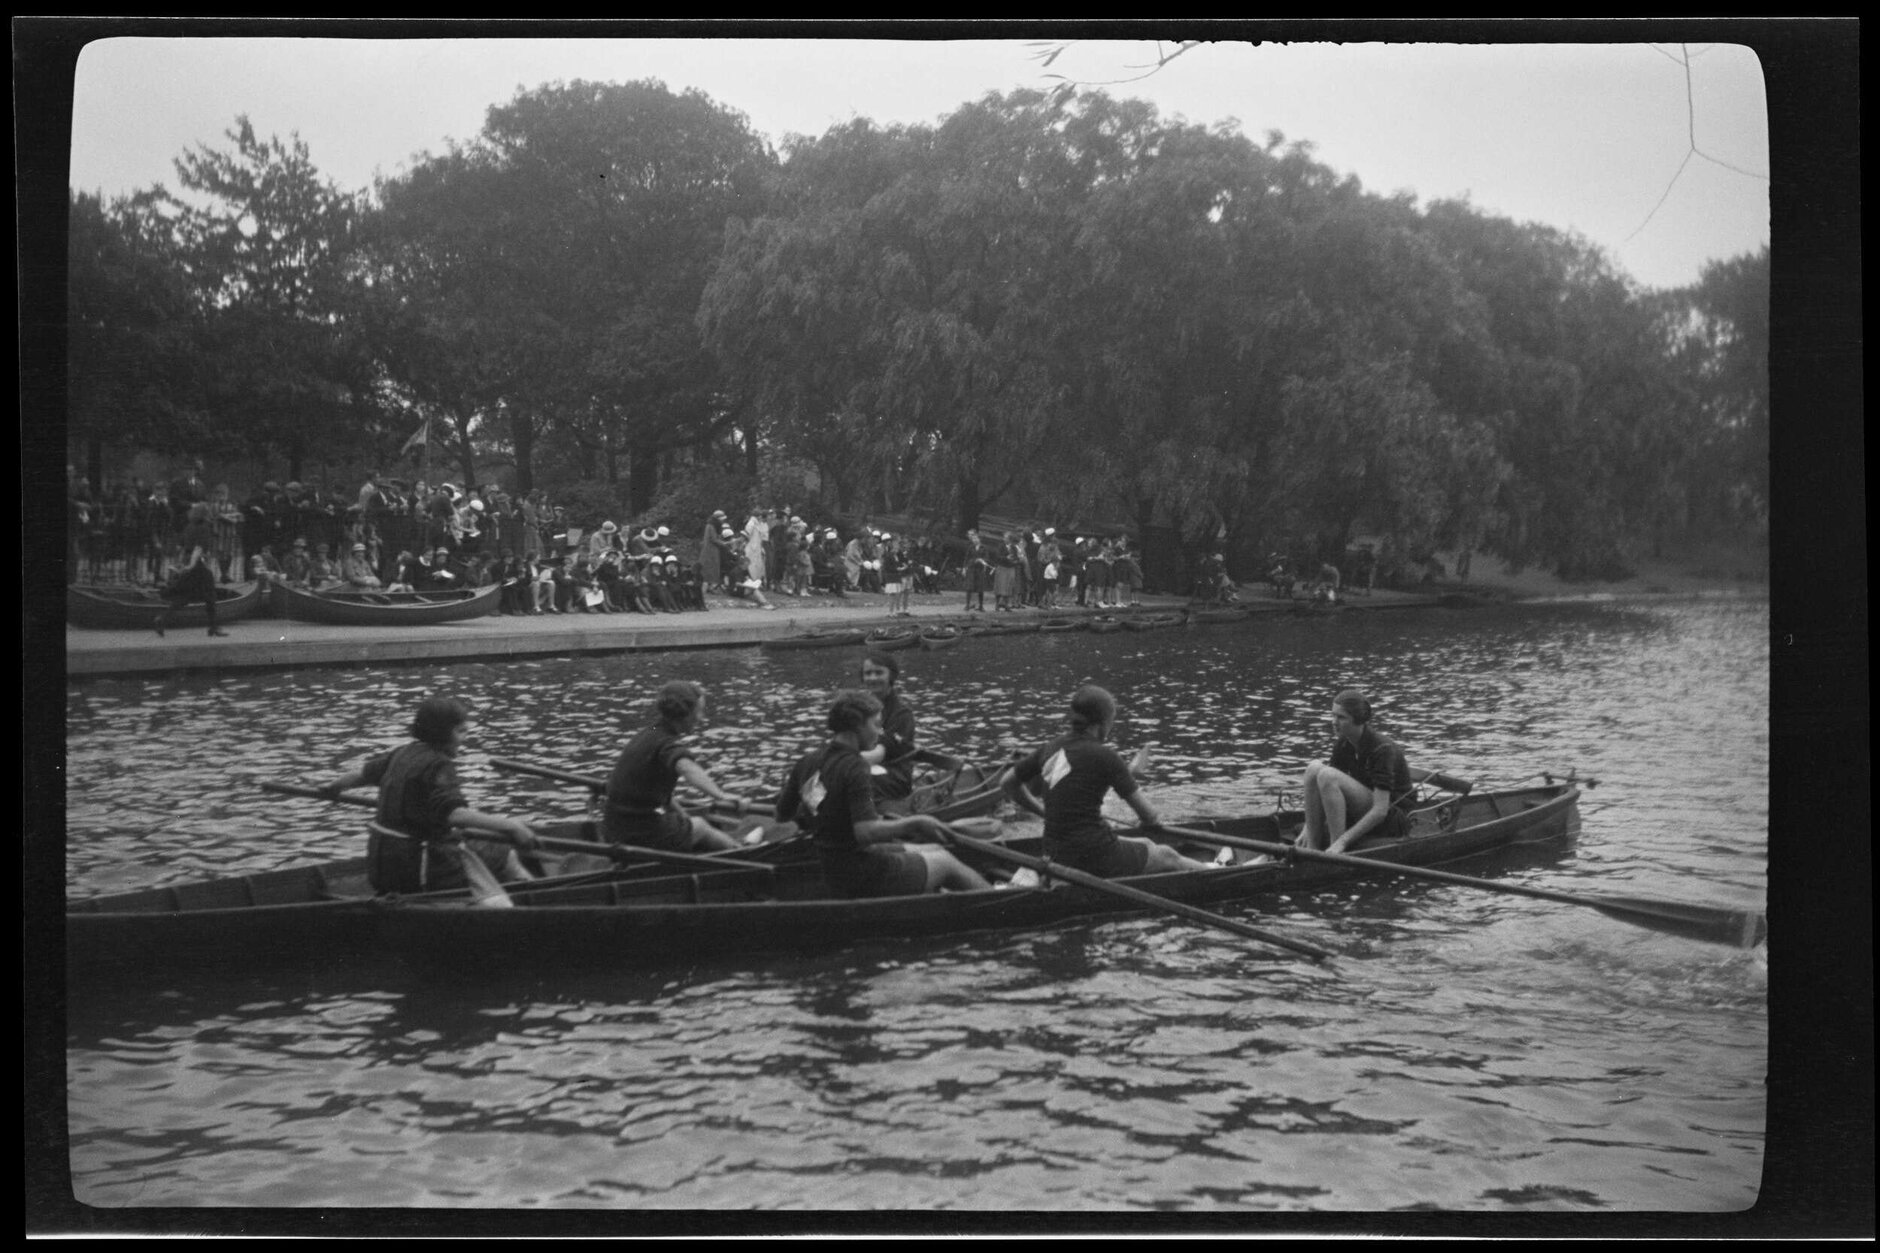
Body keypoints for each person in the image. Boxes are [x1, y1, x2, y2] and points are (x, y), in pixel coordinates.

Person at [776, 690, 991, 898]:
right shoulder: (856, 767)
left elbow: (782, 815)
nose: (880, 733)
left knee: (934, 847)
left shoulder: (807, 762)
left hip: (833, 867)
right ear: (856, 725)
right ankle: (997, 899)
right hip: (862, 872)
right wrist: (915, 822)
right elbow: (866, 832)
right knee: (945, 862)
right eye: (876, 724)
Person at [319, 695, 539, 895]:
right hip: (417, 869)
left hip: (382, 867)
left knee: (472, 841)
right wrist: (512, 826)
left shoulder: (402, 753)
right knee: (504, 853)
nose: (465, 738)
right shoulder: (438, 765)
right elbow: (455, 815)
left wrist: (333, 787)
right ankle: (538, 897)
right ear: (443, 733)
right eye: (461, 731)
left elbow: (360, 775)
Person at [1004, 685, 1219, 878]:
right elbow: (1150, 816)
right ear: (1103, 723)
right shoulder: (1106, 756)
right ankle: (1223, 876)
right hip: (1092, 855)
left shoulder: (1049, 747)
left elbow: (1007, 783)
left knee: (1145, 844)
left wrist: (1043, 811)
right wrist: (1148, 822)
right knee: (1167, 856)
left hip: (1054, 851)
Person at [603, 682, 756, 853]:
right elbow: (687, 768)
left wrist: (683, 816)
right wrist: (721, 795)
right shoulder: (666, 744)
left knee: (692, 822)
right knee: (701, 826)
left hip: (613, 827)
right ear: (684, 714)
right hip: (634, 833)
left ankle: (730, 846)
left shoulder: (648, 732)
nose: (701, 718)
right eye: (699, 712)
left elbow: (659, 792)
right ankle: (744, 852)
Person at [1297, 689, 1417, 854]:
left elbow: (1380, 811)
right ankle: (1312, 848)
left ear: (1358, 720)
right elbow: (1325, 788)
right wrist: (1308, 827)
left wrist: (1343, 841)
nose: (1334, 722)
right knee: (1314, 768)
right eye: (1333, 715)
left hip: (1393, 817)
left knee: (1327, 775)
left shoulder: (1382, 749)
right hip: (1365, 807)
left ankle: (1335, 848)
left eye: (1341, 717)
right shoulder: (1343, 744)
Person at [154, 502, 228, 638]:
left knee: (186, 597)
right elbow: (198, 548)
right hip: (197, 564)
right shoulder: (204, 528)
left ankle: (162, 619)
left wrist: (183, 564)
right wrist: (192, 565)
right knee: (210, 595)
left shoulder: (189, 527)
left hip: (189, 561)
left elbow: (181, 547)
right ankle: (213, 627)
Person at [858, 651, 917, 801]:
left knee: (850, 782)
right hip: (865, 768)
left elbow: (876, 755)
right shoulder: (856, 709)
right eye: (868, 673)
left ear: (891, 676)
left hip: (895, 778)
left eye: (879, 673)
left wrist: (840, 763)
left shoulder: (902, 715)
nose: (872, 678)